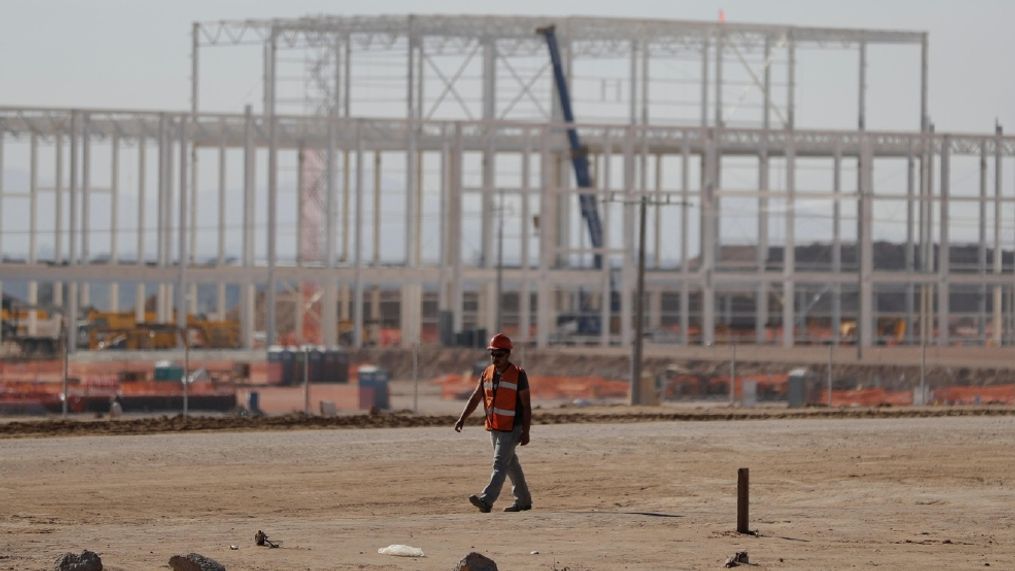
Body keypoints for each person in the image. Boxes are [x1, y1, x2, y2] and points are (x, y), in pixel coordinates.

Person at [454, 333, 533, 513]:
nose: (495, 358)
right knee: (510, 464)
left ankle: (486, 500)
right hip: (494, 427)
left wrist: (526, 431)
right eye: (493, 354)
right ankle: (524, 501)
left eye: (499, 355)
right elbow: (476, 397)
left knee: (499, 464)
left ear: (508, 354)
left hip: (512, 428)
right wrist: (462, 418)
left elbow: (526, 406)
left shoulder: (518, 375)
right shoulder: (487, 373)